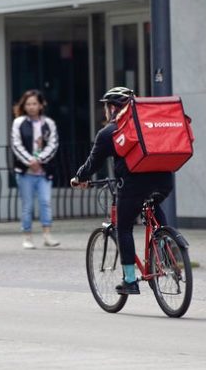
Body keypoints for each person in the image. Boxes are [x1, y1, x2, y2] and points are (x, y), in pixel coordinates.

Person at [71, 87, 173, 295]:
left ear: (112, 108)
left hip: (134, 184)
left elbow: (93, 163)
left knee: (124, 228)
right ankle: (167, 250)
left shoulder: (110, 132)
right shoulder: (148, 125)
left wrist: (79, 178)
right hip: (164, 179)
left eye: (106, 107)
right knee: (153, 205)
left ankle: (129, 280)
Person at [11, 89, 60, 249]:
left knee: (45, 202)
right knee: (28, 205)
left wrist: (40, 160)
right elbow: (16, 144)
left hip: (44, 171)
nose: (31, 107)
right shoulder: (18, 123)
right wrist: (29, 161)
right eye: (28, 104)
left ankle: (47, 234)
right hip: (25, 172)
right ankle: (27, 236)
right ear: (24, 106)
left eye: (34, 104)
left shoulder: (48, 123)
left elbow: (53, 144)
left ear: (41, 105)